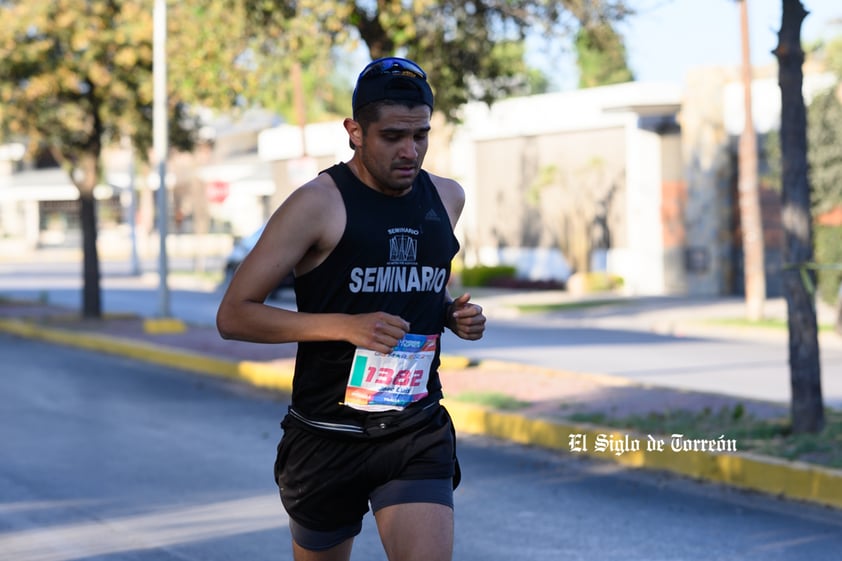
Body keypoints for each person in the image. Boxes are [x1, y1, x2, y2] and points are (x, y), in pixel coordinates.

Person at [216, 56, 486, 561]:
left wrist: (450, 313)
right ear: (355, 131)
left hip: (414, 427)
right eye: (392, 137)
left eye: (421, 135)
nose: (410, 151)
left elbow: (421, 289)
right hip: (326, 435)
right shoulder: (317, 203)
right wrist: (345, 326)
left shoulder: (446, 198)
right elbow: (234, 315)